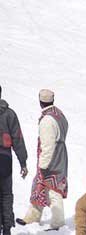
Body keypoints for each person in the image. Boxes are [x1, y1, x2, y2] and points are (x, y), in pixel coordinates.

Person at [16, 89, 68, 231]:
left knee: (53, 189)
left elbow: (48, 144)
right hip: (60, 155)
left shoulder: (47, 120)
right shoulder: (59, 114)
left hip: (51, 159)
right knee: (40, 186)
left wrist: (43, 165)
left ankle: (57, 222)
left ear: (40, 102)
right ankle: (33, 215)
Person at [0, 85, 29, 235]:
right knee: (6, 194)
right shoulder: (9, 114)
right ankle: (6, 228)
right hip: (5, 158)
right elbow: (18, 139)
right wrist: (23, 162)